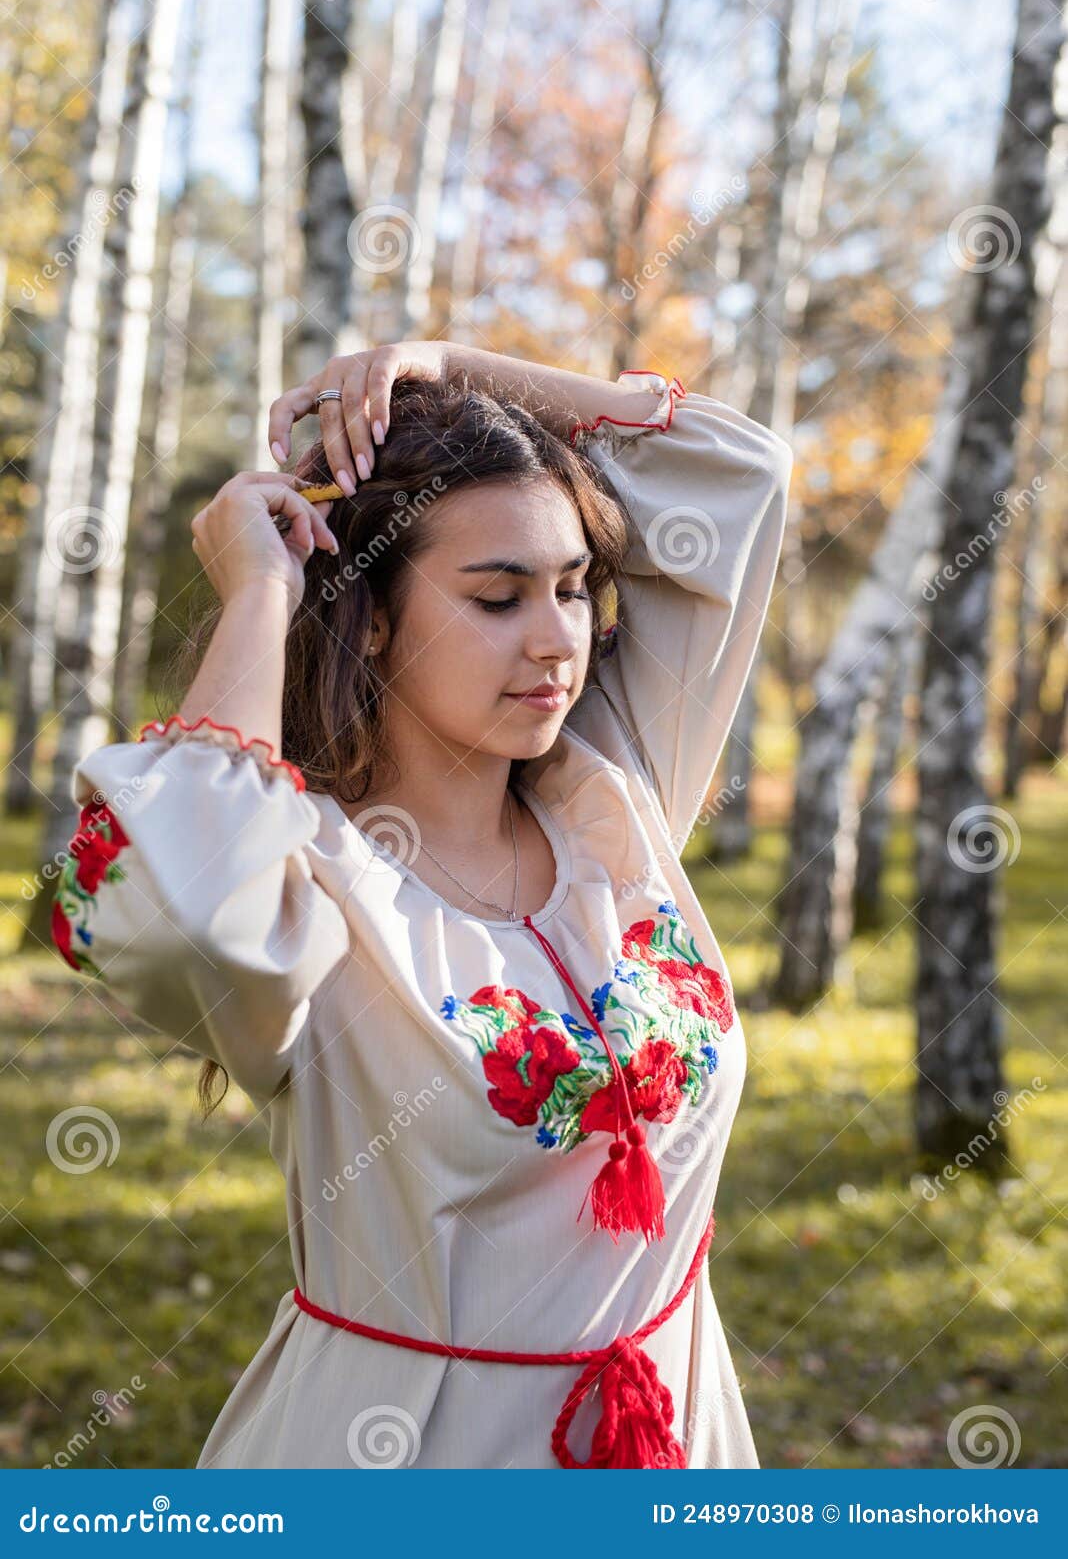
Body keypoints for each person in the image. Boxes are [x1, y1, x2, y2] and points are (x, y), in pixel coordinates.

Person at [50, 342, 793, 1469]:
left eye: (574, 588)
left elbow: (740, 473)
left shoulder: (613, 802)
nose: (558, 641)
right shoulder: (307, 887)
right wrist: (260, 589)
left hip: (674, 1443)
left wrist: (446, 363)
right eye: (498, 596)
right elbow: (161, 909)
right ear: (377, 616)